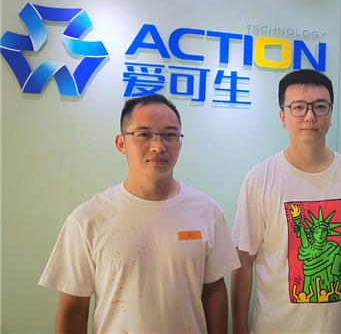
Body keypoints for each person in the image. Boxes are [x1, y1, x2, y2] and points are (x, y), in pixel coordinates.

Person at [39, 94, 240, 334]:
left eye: (170, 135)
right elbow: (73, 310)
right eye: (144, 134)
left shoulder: (207, 211)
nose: (158, 146)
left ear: (180, 142)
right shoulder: (88, 218)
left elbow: (214, 291)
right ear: (121, 144)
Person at [231, 69, 341, 334]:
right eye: (298, 107)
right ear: (283, 117)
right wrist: (238, 327)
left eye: (320, 106)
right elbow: (243, 261)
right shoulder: (259, 179)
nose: (309, 116)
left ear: (330, 115)